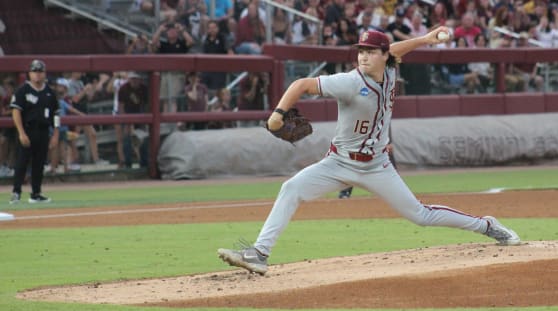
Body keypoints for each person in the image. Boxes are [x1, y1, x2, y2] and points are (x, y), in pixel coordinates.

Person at [217, 29, 521, 275]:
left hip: (377, 166)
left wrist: (426, 39)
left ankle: (487, 226)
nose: (363, 56)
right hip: (338, 163)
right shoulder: (349, 82)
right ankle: (259, 253)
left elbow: (397, 49)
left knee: (421, 216)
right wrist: (278, 113)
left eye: (370, 51)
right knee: (291, 188)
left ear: (384, 56)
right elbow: (300, 84)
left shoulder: (389, 70)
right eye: (360, 51)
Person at [9, 60, 60, 204]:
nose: (37, 75)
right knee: (22, 162)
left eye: (40, 72)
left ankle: (36, 193)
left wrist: (55, 134)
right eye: (35, 72)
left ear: (44, 73)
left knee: (39, 163)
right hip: (27, 129)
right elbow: (16, 112)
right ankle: (16, 192)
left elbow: (56, 114)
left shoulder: (49, 92)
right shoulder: (22, 90)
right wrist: (21, 132)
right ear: (30, 74)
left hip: (43, 131)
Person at [117, 72, 149, 169]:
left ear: (140, 79)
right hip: (127, 114)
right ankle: (128, 163)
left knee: (142, 138)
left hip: (140, 114)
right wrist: (124, 120)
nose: (134, 81)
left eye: (136, 79)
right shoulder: (123, 89)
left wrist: (144, 120)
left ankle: (144, 163)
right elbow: (121, 106)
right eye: (132, 78)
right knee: (126, 138)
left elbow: (146, 104)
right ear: (129, 79)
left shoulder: (144, 88)